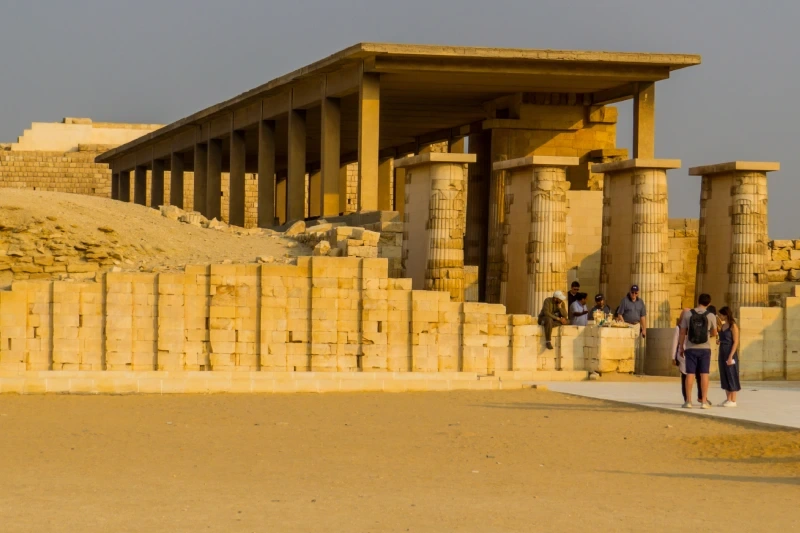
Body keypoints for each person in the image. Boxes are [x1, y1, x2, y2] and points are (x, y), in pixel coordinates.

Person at [677, 293, 718, 409]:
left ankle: (688, 401)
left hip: (690, 347)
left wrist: (681, 347)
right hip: (705, 348)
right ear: (709, 303)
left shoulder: (688, 314)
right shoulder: (711, 315)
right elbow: (714, 333)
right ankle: (704, 401)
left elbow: (682, 332)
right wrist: (706, 335)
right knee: (704, 374)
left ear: (698, 301)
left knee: (690, 373)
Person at [716, 306, 741, 407]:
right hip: (722, 351)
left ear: (725, 315)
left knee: (732, 374)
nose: (720, 316)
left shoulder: (733, 326)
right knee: (724, 374)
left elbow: (735, 342)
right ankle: (728, 398)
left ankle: (733, 399)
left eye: (721, 314)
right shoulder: (723, 326)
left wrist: (731, 356)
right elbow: (723, 338)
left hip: (730, 352)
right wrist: (719, 341)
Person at [671, 309, 689, 402]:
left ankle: (688, 399)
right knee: (688, 377)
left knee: (686, 377)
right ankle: (688, 398)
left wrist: (673, 357)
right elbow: (675, 343)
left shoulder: (682, 327)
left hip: (686, 354)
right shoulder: (680, 327)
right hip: (686, 354)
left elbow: (675, 343)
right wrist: (673, 357)